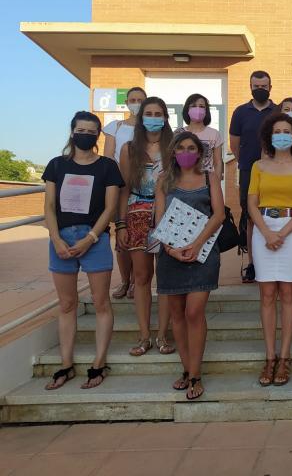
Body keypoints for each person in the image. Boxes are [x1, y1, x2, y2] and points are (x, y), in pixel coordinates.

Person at [43, 111, 124, 390]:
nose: (85, 135)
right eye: (81, 130)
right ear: (72, 132)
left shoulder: (108, 167)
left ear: (98, 135)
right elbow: (49, 206)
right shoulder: (56, 165)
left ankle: (99, 363)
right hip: (61, 240)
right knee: (67, 304)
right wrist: (55, 238)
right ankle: (66, 365)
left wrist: (91, 238)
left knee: (101, 302)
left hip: (95, 239)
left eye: (91, 132)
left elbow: (110, 208)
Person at [154, 131, 224, 401]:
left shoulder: (210, 178)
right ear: (173, 152)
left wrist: (196, 245)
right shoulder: (164, 180)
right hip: (170, 256)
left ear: (200, 152)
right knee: (177, 315)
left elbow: (218, 215)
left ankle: (195, 373)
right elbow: (159, 219)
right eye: (181, 147)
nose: (186, 152)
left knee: (194, 312)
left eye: (191, 148)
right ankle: (186, 369)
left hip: (202, 254)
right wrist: (171, 249)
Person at [248, 113, 292, 387]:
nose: (282, 135)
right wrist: (266, 232)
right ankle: (270, 356)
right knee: (266, 294)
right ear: (269, 136)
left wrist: (282, 234)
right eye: (277, 131)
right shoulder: (258, 166)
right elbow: (251, 203)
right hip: (263, 228)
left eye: (287, 131)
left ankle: (284, 357)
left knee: (287, 292)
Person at [118, 97, 174, 357]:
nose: (153, 118)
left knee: (165, 277)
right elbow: (124, 188)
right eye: (149, 113)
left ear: (165, 117)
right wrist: (120, 224)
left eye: (158, 113)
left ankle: (162, 335)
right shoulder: (129, 149)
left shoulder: (174, 147)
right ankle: (144, 336)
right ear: (141, 118)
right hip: (136, 213)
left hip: (167, 214)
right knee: (141, 277)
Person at [229, 70, 277, 283]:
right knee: (250, 217)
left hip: (275, 172)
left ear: (270, 88)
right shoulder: (240, 112)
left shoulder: (277, 111)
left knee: (273, 214)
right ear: (250, 87)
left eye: (264, 86)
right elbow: (234, 145)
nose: (260, 89)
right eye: (256, 86)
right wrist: (249, 164)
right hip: (249, 171)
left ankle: (272, 261)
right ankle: (252, 264)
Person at [102, 86, 146, 300]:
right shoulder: (115, 127)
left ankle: (137, 282)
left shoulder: (149, 127)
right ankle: (125, 280)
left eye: (140, 100)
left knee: (140, 236)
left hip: (144, 188)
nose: (136, 103)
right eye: (133, 100)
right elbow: (108, 156)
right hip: (120, 188)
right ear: (127, 103)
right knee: (122, 236)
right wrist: (122, 177)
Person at [174, 93, 224, 176]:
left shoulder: (214, 134)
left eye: (201, 106)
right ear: (187, 110)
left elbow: (218, 162)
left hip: (206, 180)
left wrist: (217, 180)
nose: (197, 109)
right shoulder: (178, 133)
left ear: (206, 111)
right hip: (182, 179)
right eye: (193, 106)